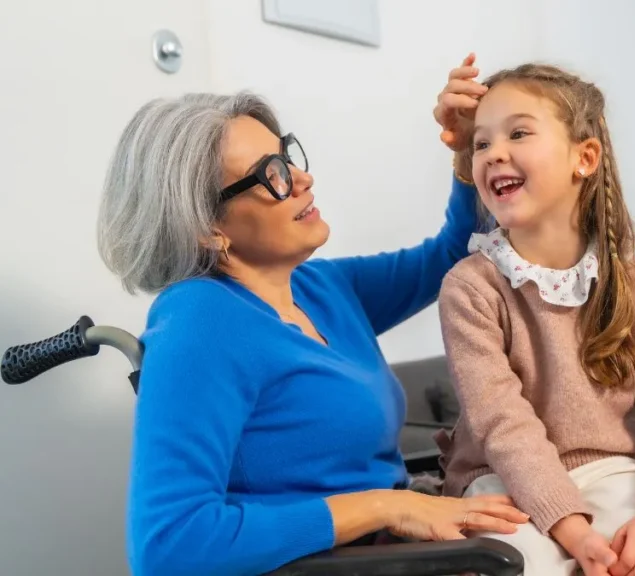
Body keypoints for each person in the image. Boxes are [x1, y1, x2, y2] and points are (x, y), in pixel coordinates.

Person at [95, 54, 529, 576]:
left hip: (394, 551)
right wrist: (387, 505)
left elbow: (450, 254)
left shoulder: (318, 286)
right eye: (270, 175)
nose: (302, 178)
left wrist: (466, 151)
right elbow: (168, 546)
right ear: (206, 227)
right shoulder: (200, 321)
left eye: (287, 157)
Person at [433, 62, 635, 576]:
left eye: (518, 132)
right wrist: (573, 530)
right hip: (501, 478)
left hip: (614, 469)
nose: (494, 152)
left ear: (584, 159)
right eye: (480, 143)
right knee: (528, 559)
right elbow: (505, 428)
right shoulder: (470, 288)